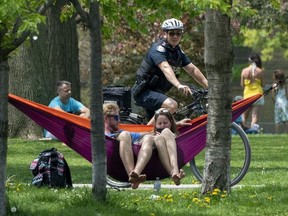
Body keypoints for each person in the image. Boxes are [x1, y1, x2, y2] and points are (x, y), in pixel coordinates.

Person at [132, 18, 208, 124]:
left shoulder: (177, 52)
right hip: (144, 92)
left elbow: (192, 69)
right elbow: (165, 67)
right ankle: (144, 133)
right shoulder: (158, 50)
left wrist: (209, 86)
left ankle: (150, 132)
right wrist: (178, 85)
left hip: (157, 93)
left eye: (178, 33)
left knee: (166, 127)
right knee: (171, 105)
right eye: (172, 33)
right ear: (165, 34)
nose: (175, 36)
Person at [103, 103, 154, 189]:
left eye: (119, 117)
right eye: (116, 117)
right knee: (125, 134)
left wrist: (171, 127)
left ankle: (135, 175)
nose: (119, 121)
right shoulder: (98, 135)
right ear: (106, 118)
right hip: (111, 160)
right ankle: (132, 176)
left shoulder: (120, 132)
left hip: (119, 163)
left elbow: (142, 134)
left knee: (148, 137)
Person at [153, 109, 186, 185]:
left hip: (173, 157)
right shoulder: (153, 135)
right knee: (158, 138)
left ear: (171, 122)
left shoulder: (173, 133)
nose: (162, 125)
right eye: (159, 123)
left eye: (165, 123)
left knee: (166, 131)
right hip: (155, 161)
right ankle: (174, 173)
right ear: (155, 125)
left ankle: (174, 172)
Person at [240, 52, 264, 128]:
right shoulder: (260, 71)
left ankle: (242, 131)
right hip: (258, 95)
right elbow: (263, 84)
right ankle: (253, 131)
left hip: (247, 95)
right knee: (255, 115)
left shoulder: (244, 71)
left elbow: (242, 85)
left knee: (244, 115)